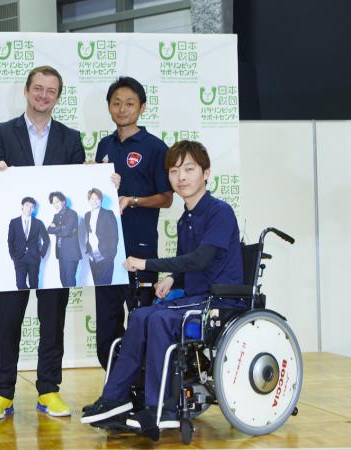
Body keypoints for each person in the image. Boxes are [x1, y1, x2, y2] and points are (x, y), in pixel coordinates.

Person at [81, 140, 243, 442]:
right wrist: (172, 279)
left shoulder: (220, 212)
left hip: (219, 301)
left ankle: (161, 408)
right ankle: (116, 398)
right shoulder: (186, 219)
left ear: (206, 173)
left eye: (189, 169)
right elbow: (190, 268)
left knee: (156, 320)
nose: (181, 176)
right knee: (141, 315)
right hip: (193, 298)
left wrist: (149, 263)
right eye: (174, 170)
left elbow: (201, 259)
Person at [0, 66, 85, 419]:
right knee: (7, 321)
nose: (43, 96)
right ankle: (2, 393)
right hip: (16, 249)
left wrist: (103, 178)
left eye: (51, 91)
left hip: (54, 253)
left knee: (52, 322)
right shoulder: (0, 133)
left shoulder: (71, 139)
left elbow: (77, 190)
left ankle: (49, 390)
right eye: (38, 89)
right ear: (26, 91)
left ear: (58, 97)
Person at [92, 76, 173, 370]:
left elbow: (166, 198)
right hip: (104, 249)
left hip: (140, 249)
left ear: (142, 107)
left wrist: (133, 200)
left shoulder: (155, 147)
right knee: (107, 322)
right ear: (109, 108)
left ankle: (143, 385)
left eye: (129, 103)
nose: (122, 109)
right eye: (116, 103)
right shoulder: (104, 145)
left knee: (142, 318)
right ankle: (114, 383)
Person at [7, 196, 50, 290]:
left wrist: (41, 254)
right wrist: (12, 255)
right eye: (27, 205)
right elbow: (10, 240)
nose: (29, 208)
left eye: (32, 206)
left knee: (34, 285)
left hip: (34, 258)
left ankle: (32, 303)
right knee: (20, 285)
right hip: (19, 258)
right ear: (22, 206)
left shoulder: (38, 223)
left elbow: (46, 239)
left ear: (34, 209)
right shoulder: (14, 222)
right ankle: (25, 301)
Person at [84, 188, 119, 286]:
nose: (95, 201)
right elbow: (89, 234)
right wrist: (89, 252)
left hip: (105, 256)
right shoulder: (87, 215)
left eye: (97, 199)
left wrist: (111, 255)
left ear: (101, 200)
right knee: (97, 286)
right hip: (92, 258)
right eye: (92, 199)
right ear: (89, 200)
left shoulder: (108, 214)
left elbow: (114, 236)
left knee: (105, 288)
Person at [46, 191, 81, 288]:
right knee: (63, 280)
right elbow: (49, 229)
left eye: (57, 202)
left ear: (63, 201)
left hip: (71, 254)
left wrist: (57, 227)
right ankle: (66, 301)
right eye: (53, 203)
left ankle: (72, 302)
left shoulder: (72, 214)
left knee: (70, 282)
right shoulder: (56, 216)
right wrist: (62, 227)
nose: (55, 205)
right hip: (60, 253)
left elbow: (66, 232)